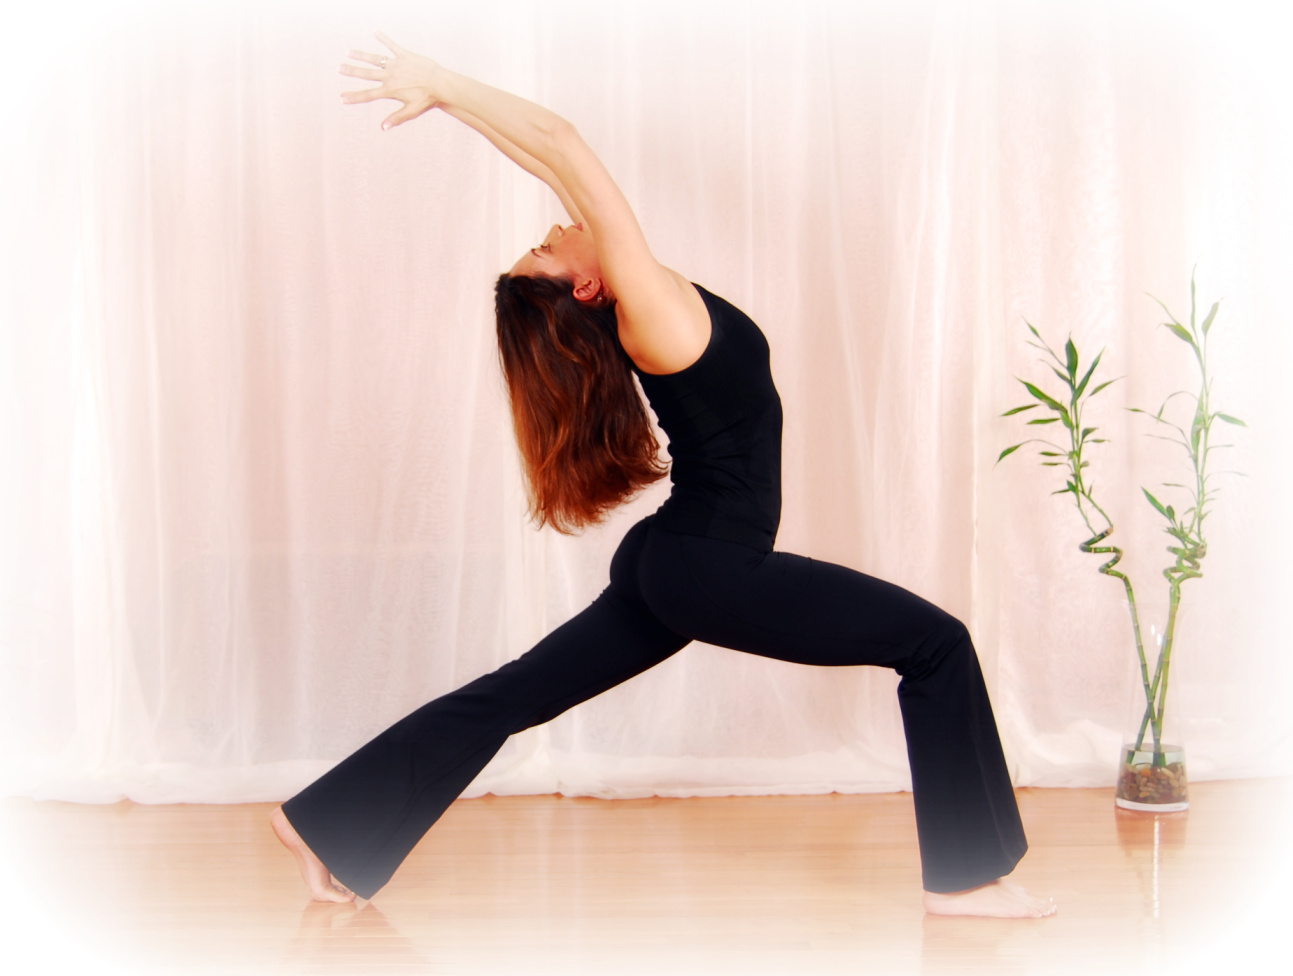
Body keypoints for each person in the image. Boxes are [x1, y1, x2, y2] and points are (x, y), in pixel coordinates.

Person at [271, 32, 1056, 919]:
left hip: (673, 562)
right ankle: (969, 878)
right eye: (544, 246)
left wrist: (452, 107)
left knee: (514, 695)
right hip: (707, 565)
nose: (556, 225)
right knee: (935, 643)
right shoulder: (646, 313)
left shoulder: (642, 295)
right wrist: (439, 78)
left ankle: (324, 821)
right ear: (586, 292)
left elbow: (551, 160)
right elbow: (565, 142)